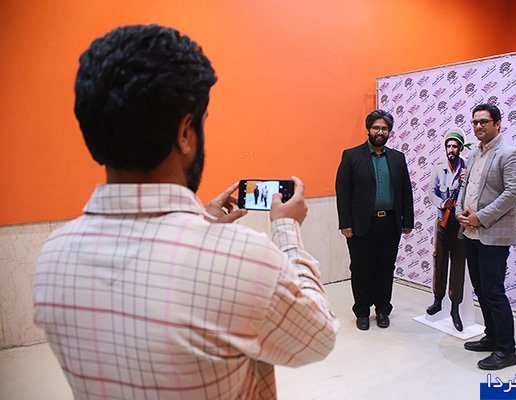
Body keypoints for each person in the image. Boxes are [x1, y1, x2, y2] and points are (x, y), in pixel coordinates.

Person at [33, 24, 338, 400]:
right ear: (185, 132)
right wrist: (287, 229)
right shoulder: (242, 258)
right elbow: (319, 337)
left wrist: (204, 225)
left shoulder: (53, 255)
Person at [456, 103, 516, 370]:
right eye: (474, 122)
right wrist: (461, 211)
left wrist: (480, 217)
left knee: (494, 292)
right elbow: (466, 186)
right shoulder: (474, 153)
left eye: (483, 122)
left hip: (494, 234)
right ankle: (492, 337)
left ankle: (507, 350)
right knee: (481, 289)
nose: (478, 126)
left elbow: (512, 193)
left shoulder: (510, 153)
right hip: (471, 232)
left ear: (497, 124)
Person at [335, 109, 414, 331]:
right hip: (362, 225)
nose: (380, 132)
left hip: (390, 224)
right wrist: (345, 223)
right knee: (361, 268)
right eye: (376, 128)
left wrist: (407, 220)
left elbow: (406, 191)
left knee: (385, 268)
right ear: (368, 129)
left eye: (384, 128)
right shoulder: (351, 156)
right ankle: (362, 311)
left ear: (389, 131)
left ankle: (382, 310)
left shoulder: (397, 158)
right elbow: (343, 192)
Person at [426, 127, 467, 332]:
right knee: (439, 261)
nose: (451, 149)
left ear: (460, 148)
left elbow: (471, 192)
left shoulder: (466, 166)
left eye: (455, 146)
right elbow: (431, 192)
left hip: (459, 226)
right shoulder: (439, 166)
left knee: (458, 266)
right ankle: (437, 300)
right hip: (442, 223)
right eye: (449, 146)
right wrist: (442, 204)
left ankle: (455, 309)